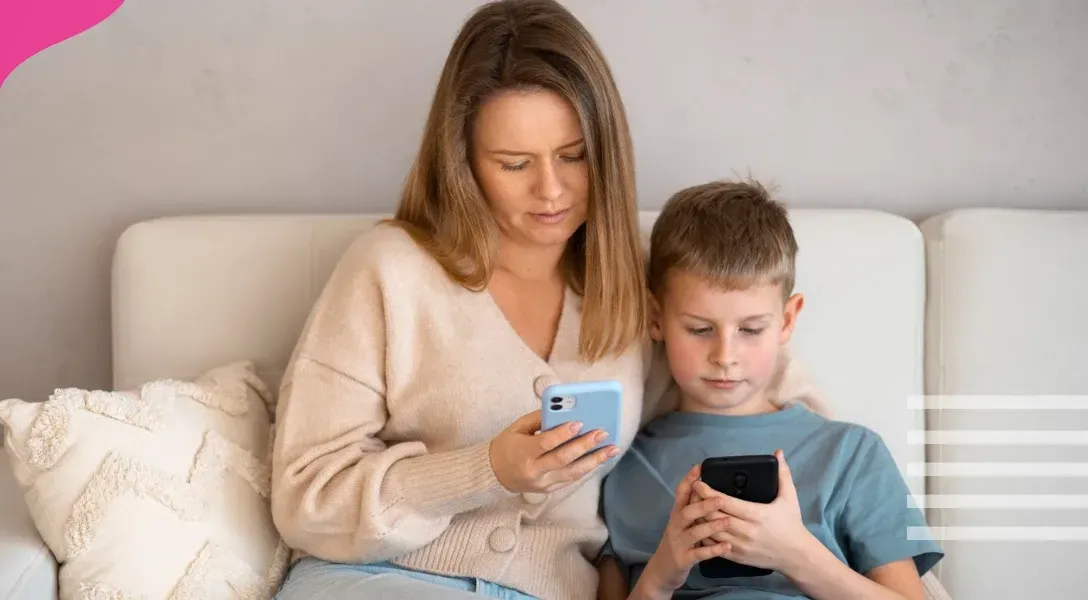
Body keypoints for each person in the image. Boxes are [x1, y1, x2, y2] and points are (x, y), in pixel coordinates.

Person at [269, 1, 650, 599]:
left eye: (574, 156)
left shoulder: (636, 286)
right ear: (463, 163)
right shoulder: (390, 270)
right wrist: (484, 472)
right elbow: (306, 499)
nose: (551, 189)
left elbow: (753, 385)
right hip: (377, 579)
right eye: (514, 163)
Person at [596, 181, 945, 600]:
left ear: (787, 320)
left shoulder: (852, 454)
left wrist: (795, 554)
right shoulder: (620, 464)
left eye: (751, 329)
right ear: (656, 318)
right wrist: (661, 575)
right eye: (699, 329)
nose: (725, 356)